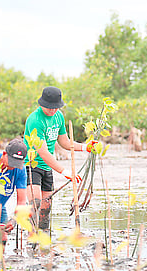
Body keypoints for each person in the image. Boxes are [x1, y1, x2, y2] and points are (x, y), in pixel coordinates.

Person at [23, 86, 96, 231]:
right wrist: (64, 171)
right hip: (32, 164)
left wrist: (85, 147)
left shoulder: (58, 116)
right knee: (35, 203)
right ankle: (31, 238)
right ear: (41, 104)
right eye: (49, 107)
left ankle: (44, 237)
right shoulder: (35, 120)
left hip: (47, 167)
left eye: (55, 107)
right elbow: (43, 152)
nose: (53, 110)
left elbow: (64, 142)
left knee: (46, 207)